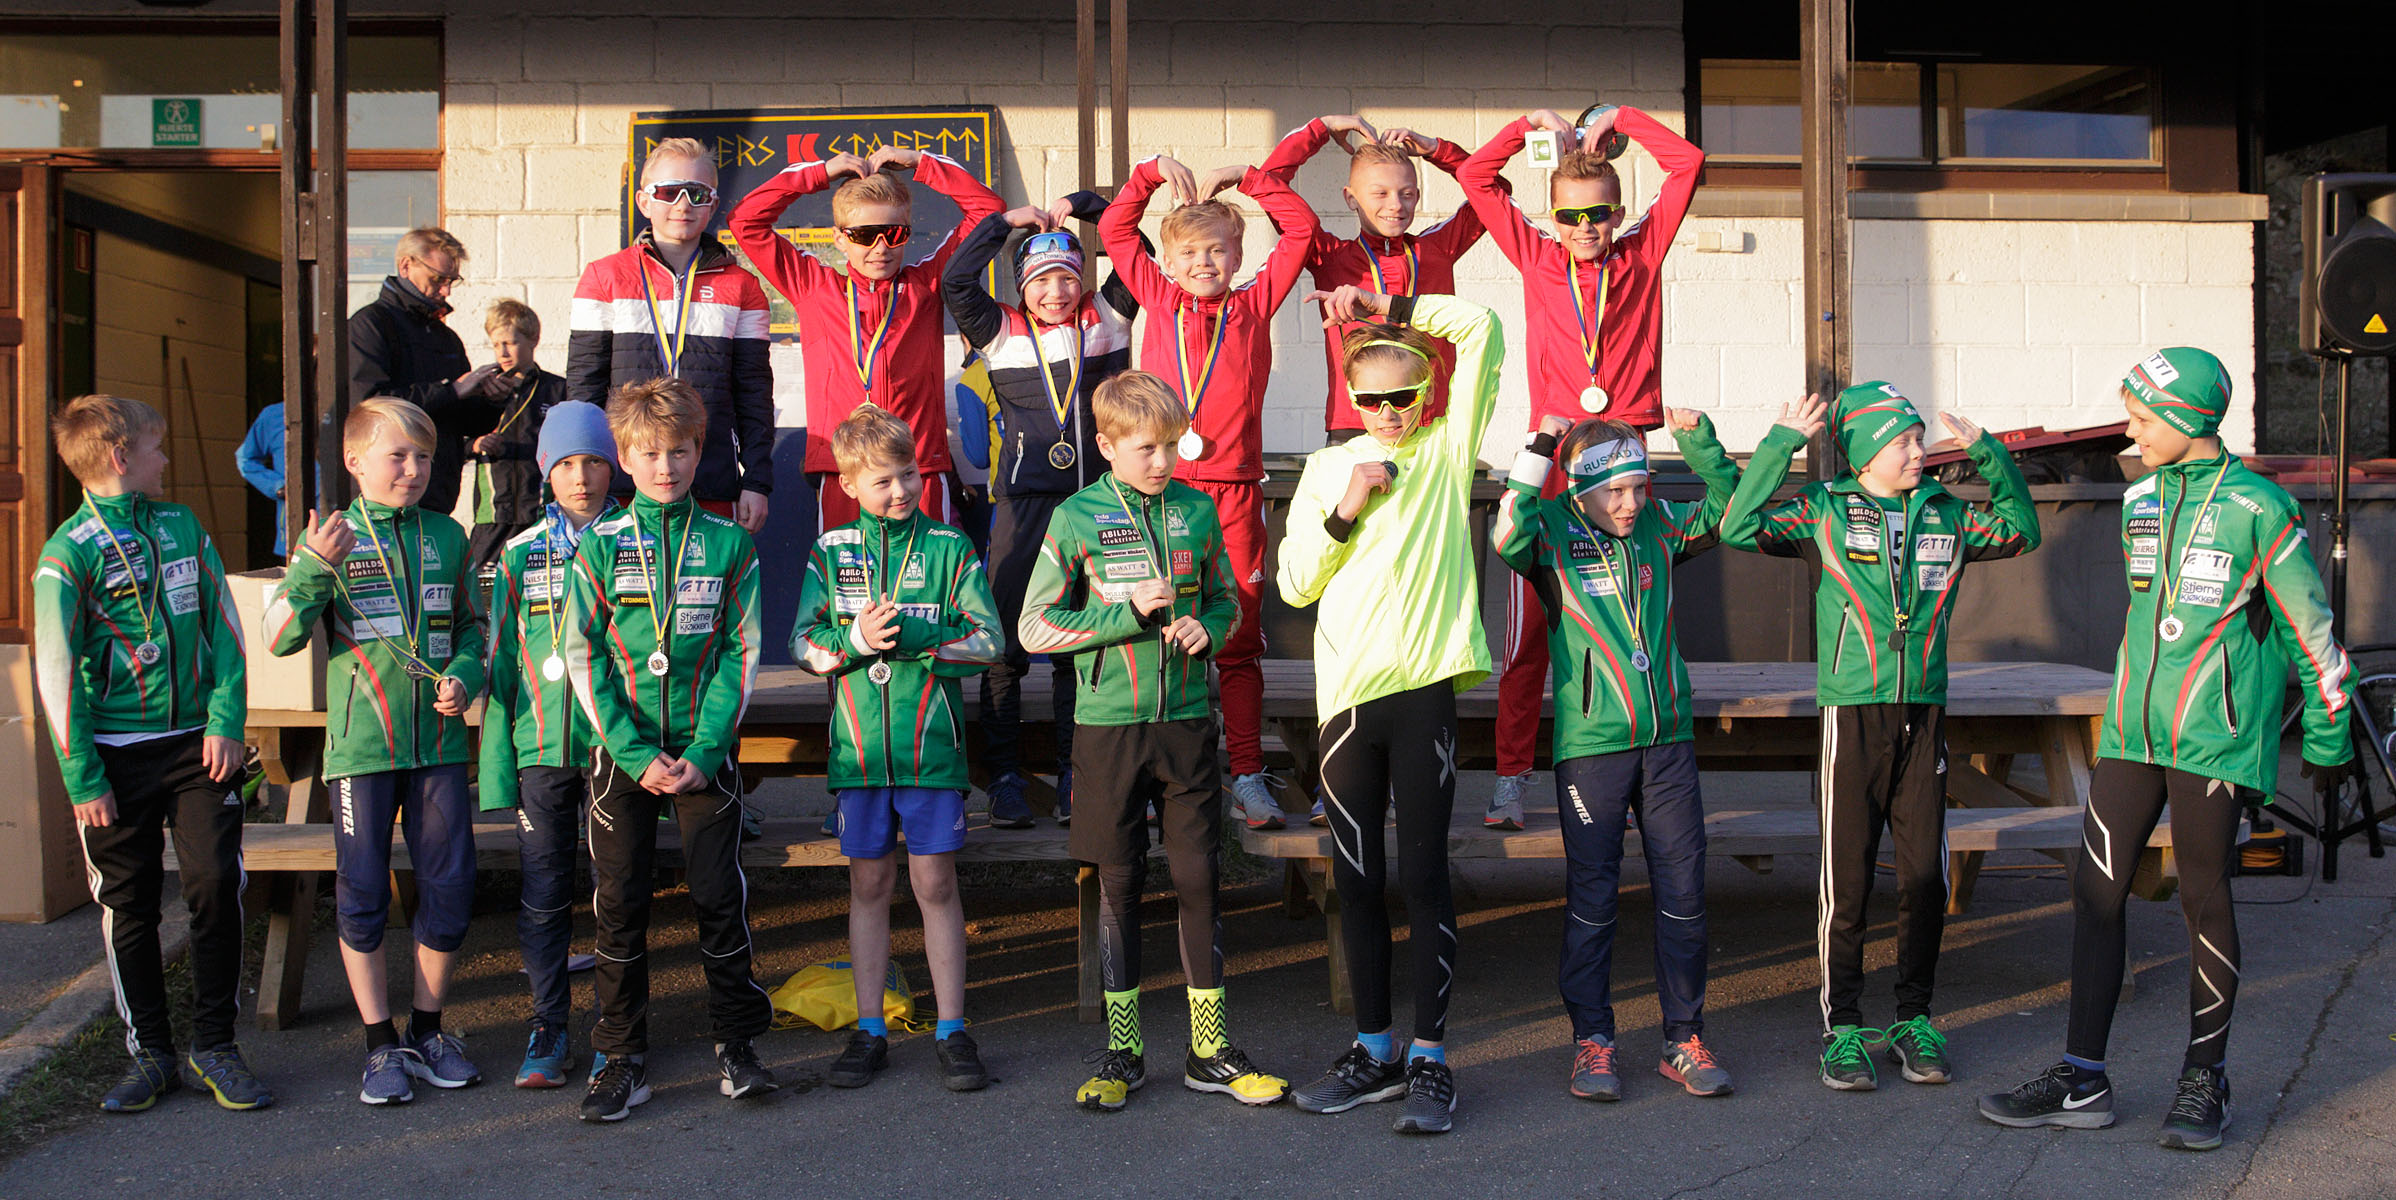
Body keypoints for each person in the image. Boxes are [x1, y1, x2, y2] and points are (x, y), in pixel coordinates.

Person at [1979, 348, 2354, 1152]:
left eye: (2145, 419)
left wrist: (2329, 736)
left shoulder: (2261, 508)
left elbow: (2312, 631)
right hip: (2132, 730)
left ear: (2190, 419)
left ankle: (2204, 1078)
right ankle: (2083, 1078)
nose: (2133, 434)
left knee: (2202, 900)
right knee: (2095, 891)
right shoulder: (2140, 498)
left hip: (2215, 740)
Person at [1720, 383, 2040, 1091]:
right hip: (1853, 712)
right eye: (1903, 441)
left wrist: (1992, 455)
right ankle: (1842, 1028)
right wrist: (1781, 446)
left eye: (1919, 438)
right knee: (1850, 879)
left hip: (1924, 712)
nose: (1918, 451)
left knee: (1926, 877)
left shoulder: (1947, 513)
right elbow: (1738, 526)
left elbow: (2024, 530)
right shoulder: (1824, 509)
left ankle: (1913, 1018)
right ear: (1866, 453)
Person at [1019, 370, 1284, 1113]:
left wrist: (1211, 628)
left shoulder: (1196, 509)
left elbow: (1229, 602)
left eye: (1171, 445)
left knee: (1199, 879)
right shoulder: (1075, 517)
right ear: (1106, 446)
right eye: (1146, 448)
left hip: (1186, 723)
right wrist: (1127, 616)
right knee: (1120, 886)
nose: (1163, 461)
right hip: (1108, 729)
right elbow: (1033, 627)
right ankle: (1123, 1051)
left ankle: (1209, 1051)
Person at [1276, 286, 1502, 1136]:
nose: (1388, 413)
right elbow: (1296, 585)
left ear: (1427, 393)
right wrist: (1347, 507)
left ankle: (1431, 1058)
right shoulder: (1328, 468)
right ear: (1350, 398)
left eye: (1403, 396)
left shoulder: (1447, 451)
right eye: (1370, 400)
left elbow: (1482, 326)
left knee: (1426, 875)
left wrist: (1394, 306)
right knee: (1358, 879)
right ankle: (1374, 1051)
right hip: (1347, 699)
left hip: (1424, 691)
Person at [1460, 105, 1704, 830]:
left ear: (1619, 214)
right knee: (1529, 634)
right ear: (1553, 218)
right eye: (1569, 216)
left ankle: (1628, 777)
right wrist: (1527, 125)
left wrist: (1620, 119)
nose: (1584, 227)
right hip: (1556, 464)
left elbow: (1687, 163)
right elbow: (1476, 176)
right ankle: (1511, 779)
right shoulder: (1538, 258)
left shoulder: (1642, 253)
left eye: (1598, 213)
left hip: (1623, 467)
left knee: (1631, 626)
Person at [1494, 408, 1743, 1103]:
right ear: (1580, 491)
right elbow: (1506, 529)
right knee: (1594, 898)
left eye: (1639, 487)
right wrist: (1540, 445)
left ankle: (1684, 1038)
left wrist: (1699, 442)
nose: (1631, 503)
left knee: (1685, 894)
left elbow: (1732, 510)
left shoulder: (1660, 526)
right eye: (1615, 492)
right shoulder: (1550, 533)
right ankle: (1593, 1041)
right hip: (1592, 749)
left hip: (1667, 743)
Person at [33, 395, 269, 1114]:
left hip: (198, 746)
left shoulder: (182, 525)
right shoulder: (66, 555)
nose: (165, 459)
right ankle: (152, 1055)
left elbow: (226, 631)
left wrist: (225, 721)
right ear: (120, 455)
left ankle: (215, 1046)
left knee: (214, 884)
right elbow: (55, 673)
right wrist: (83, 778)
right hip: (112, 758)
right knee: (128, 904)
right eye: (155, 448)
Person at [562, 377, 777, 1123]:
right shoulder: (598, 546)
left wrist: (709, 748)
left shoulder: (729, 544)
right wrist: (631, 753)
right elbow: (582, 654)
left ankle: (737, 1044)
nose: (666, 467)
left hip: (703, 753)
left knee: (718, 897)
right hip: (622, 756)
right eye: (649, 454)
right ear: (623, 458)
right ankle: (621, 1057)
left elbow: (742, 653)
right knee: (619, 904)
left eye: (679, 451)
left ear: (698, 450)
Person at [268, 397, 487, 1106]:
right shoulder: (330, 538)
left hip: (439, 748)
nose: (414, 469)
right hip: (361, 751)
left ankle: (428, 1031)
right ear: (355, 461)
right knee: (361, 894)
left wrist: (465, 675)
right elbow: (278, 638)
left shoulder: (447, 535)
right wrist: (312, 568)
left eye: (424, 457)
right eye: (399, 456)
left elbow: (474, 631)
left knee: (450, 888)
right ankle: (378, 1045)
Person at [1098, 154, 1319, 829]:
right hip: (1163, 494)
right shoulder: (1158, 295)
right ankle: (1161, 777)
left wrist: (1248, 178)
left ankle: (1247, 774)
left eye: (1217, 250)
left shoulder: (1254, 302)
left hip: (1233, 494)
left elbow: (1301, 227)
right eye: (1190, 253)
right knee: (1158, 627)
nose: (1204, 263)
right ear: (1166, 262)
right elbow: (1114, 228)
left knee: (1238, 636)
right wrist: (1151, 174)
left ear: (1237, 255)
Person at [791, 404, 1004, 1093]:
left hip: (931, 752)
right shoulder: (830, 551)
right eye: (882, 480)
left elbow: (990, 641)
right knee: (869, 885)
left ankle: (953, 1028)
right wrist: (853, 642)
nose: (901, 490)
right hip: (858, 755)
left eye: (908, 473)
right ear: (849, 484)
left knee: (935, 883)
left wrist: (916, 635)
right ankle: (869, 1029)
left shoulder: (949, 548)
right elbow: (802, 644)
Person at [940, 194, 1140, 829]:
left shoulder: (1108, 318)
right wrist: (1005, 223)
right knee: (1004, 645)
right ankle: (1002, 777)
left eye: (1067, 278)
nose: (1056, 292)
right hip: (1023, 508)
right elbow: (955, 279)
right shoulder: (999, 330)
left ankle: (1074, 775)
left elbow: (1137, 247)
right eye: (1041, 280)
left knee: (1080, 643)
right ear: (1021, 286)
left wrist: (1084, 204)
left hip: (1096, 505)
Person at [729, 144, 1003, 530]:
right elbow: (745, 221)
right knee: (845, 572)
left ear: (907, 233)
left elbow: (989, 211)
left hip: (918, 472)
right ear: (839, 238)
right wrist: (819, 173)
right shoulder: (813, 288)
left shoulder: (926, 285)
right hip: (844, 475)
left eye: (893, 233)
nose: (880, 248)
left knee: (930, 570)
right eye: (863, 235)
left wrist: (921, 162)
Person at [478, 400, 619, 1089]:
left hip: (615, 747)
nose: (581, 477)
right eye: (566, 464)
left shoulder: (635, 543)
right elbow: (501, 663)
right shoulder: (518, 553)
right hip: (541, 748)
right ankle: (548, 1023)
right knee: (542, 891)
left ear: (613, 467)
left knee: (614, 890)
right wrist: (498, 767)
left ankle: (615, 1028)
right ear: (545, 472)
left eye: (593, 461)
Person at [566, 137, 776, 531]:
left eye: (697, 193)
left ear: (713, 204)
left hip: (710, 479)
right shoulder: (603, 277)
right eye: (668, 192)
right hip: (623, 485)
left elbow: (754, 396)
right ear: (644, 202)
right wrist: (585, 476)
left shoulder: (742, 287)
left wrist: (757, 482)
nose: (683, 205)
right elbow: (583, 391)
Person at [1259, 114, 1493, 451]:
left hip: (1429, 423)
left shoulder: (1436, 249)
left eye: (1406, 193)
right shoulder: (1329, 256)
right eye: (1380, 193)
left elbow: (1493, 191)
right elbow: (1267, 184)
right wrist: (1322, 128)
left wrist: (1435, 149)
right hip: (1354, 423)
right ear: (1350, 198)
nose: (1395, 205)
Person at [349, 227, 511, 516]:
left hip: (438, 494)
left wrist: (492, 399)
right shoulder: (371, 325)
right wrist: (452, 390)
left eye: (452, 281)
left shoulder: (446, 338)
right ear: (406, 266)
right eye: (437, 279)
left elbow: (465, 422)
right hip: (382, 501)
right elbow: (370, 406)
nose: (446, 291)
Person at [465, 298, 568, 578]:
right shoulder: (480, 391)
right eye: (496, 344)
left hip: (541, 511)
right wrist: (475, 445)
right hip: (493, 514)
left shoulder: (558, 390)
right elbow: (451, 443)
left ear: (533, 339)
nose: (502, 352)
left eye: (510, 343)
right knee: (486, 591)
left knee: (543, 588)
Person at [235, 401, 286, 556]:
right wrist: (277, 486)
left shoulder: (349, 403)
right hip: (297, 534)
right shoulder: (275, 414)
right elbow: (246, 460)